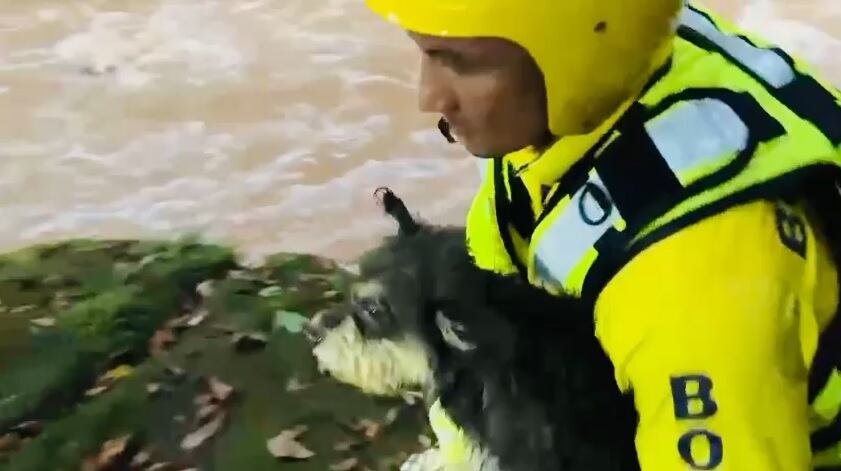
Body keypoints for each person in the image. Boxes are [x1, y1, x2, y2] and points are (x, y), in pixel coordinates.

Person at [362, 0, 841, 470]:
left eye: (461, 63)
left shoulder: (690, 290)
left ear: (575, 55)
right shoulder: (595, 77)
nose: (429, 98)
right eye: (424, 51)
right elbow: (495, 299)